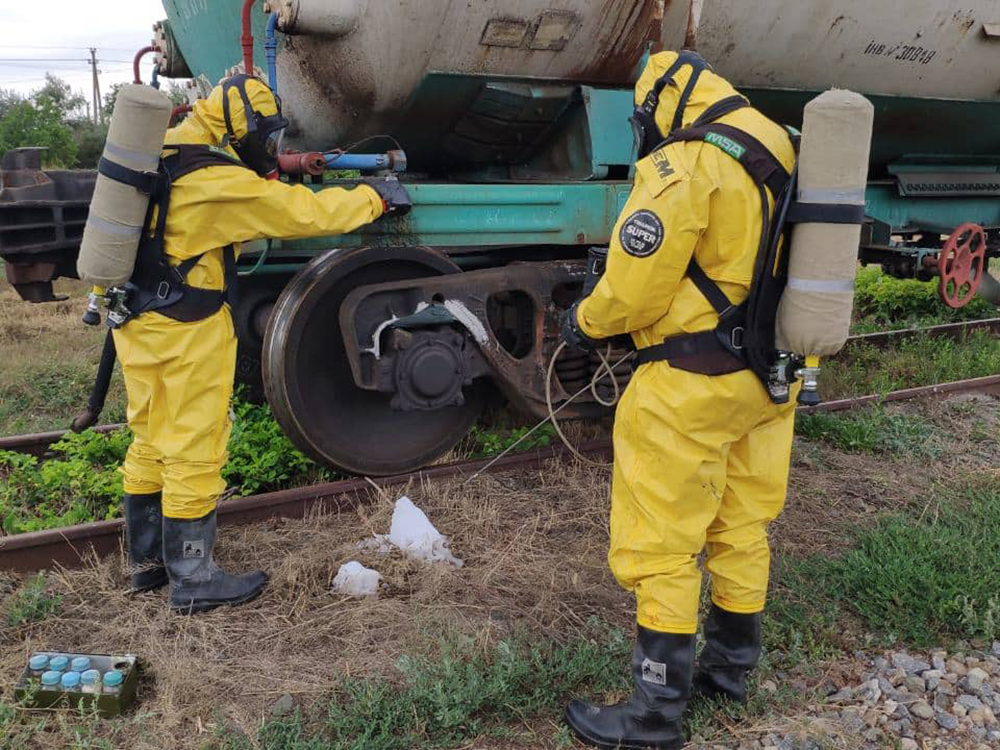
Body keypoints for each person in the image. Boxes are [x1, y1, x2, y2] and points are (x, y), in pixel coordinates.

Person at [560, 50, 798, 749]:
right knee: (742, 523)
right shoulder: (780, 144)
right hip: (769, 378)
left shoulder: (683, 165)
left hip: (689, 385)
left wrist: (585, 322)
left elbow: (634, 289)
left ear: (661, 103)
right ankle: (729, 675)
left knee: (660, 540)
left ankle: (654, 713)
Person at [117, 74, 411, 614]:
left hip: (137, 323)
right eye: (267, 136)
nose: (271, 147)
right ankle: (193, 578)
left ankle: (147, 563)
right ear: (243, 128)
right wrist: (373, 198)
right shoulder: (215, 181)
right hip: (188, 327)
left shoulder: (160, 150)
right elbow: (303, 214)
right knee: (195, 443)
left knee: (151, 435)